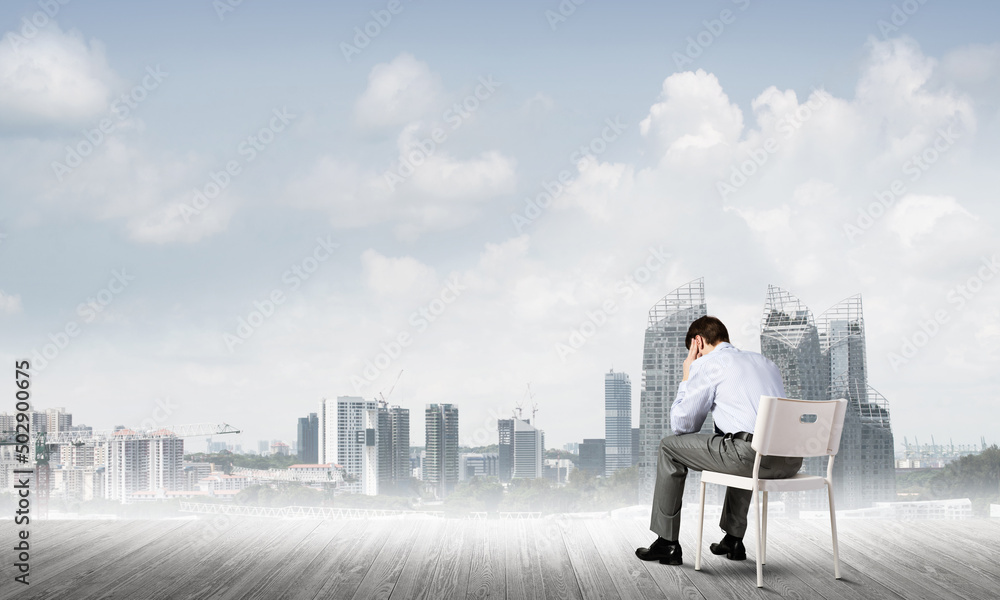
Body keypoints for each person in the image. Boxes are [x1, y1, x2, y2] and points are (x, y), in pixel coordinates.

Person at [635, 315, 802, 566]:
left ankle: (667, 542)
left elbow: (683, 425)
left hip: (750, 457)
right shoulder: (765, 362)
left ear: (698, 343)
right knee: (741, 443)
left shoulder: (709, 364)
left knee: (669, 447)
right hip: (789, 460)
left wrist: (687, 376)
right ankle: (733, 539)